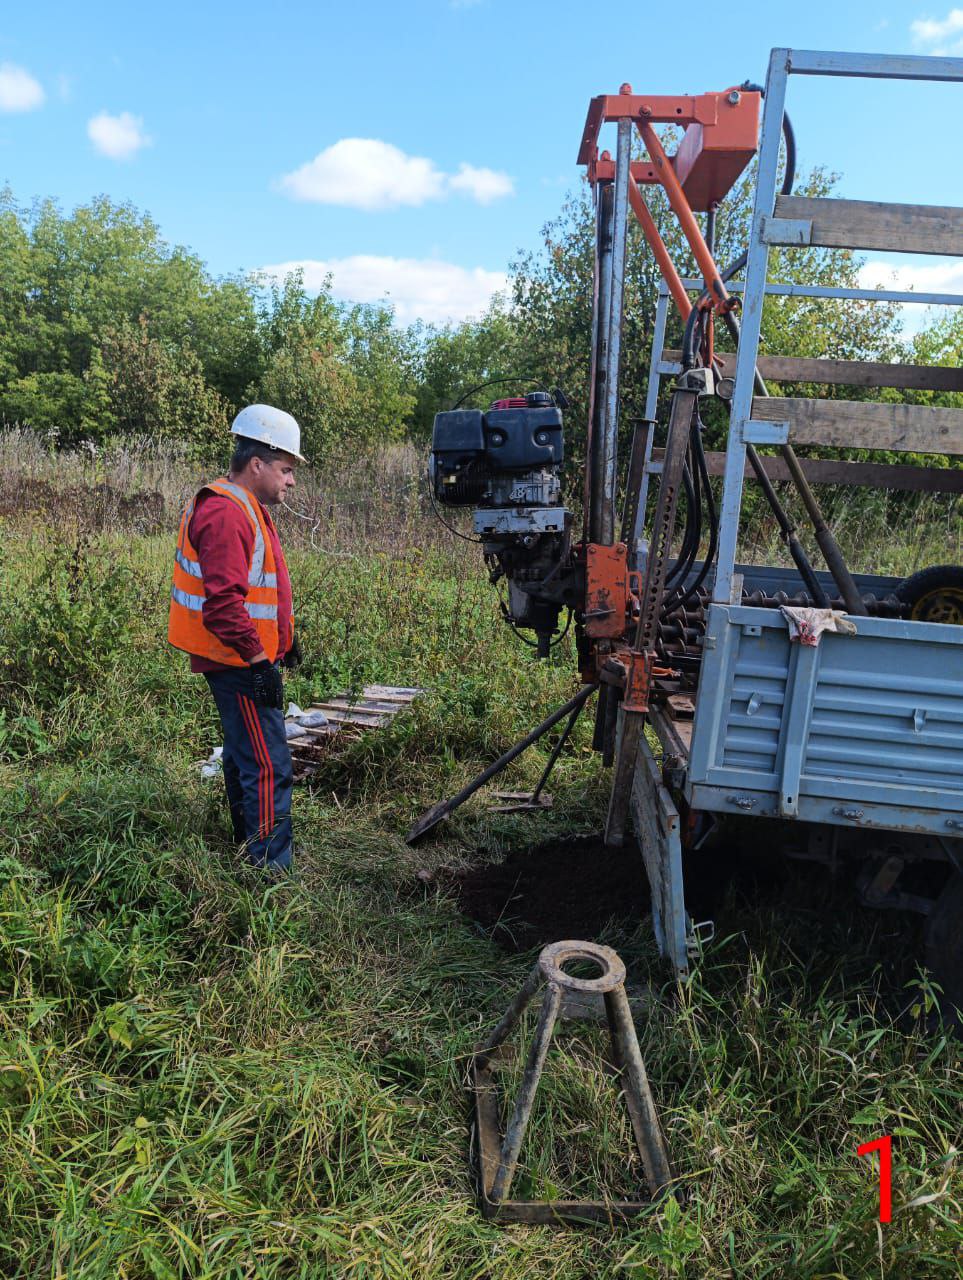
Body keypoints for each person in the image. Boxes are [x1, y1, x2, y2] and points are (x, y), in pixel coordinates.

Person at [168, 404, 305, 872]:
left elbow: (257, 588)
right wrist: (260, 661)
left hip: (244, 655)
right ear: (257, 464)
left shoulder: (245, 506)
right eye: (286, 469)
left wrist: (284, 640)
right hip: (238, 661)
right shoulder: (227, 512)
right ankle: (270, 871)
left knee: (246, 754)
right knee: (267, 763)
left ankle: (249, 847)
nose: (291, 481)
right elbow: (223, 605)